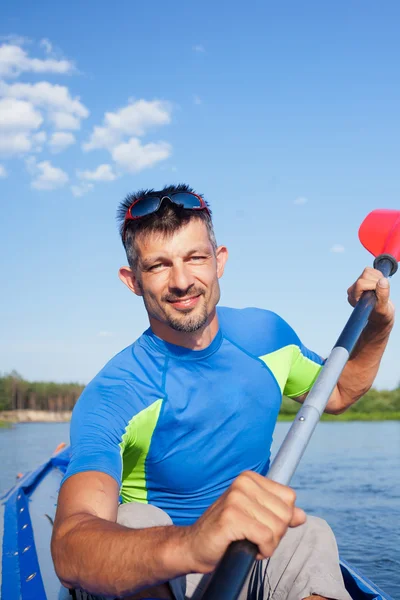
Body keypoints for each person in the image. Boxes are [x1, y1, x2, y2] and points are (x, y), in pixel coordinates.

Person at [51, 184, 395, 600]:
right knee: (134, 517)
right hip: (158, 564)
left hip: (246, 554)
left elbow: (338, 391)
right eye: (159, 265)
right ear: (133, 281)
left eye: (196, 257)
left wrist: (377, 326)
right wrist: (191, 542)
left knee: (308, 535)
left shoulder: (266, 335)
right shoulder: (116, 392)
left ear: (220, 261)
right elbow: (71, 545)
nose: (182, 281)